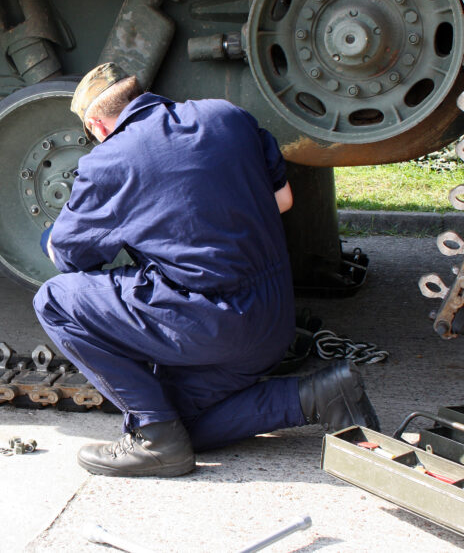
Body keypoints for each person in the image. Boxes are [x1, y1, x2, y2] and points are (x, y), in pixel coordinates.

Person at [33, 62, 380, 478]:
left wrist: (59, 234)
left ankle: (153, 436)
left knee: (54, 301)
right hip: (271, 323)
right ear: (140, 95)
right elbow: (282, 199)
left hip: (215, 327)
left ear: (97, 124)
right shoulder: (226, 116)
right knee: (185, 423)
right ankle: (319, 396)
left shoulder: (110, 160)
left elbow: (71, 260)